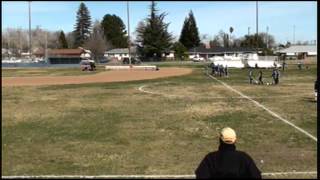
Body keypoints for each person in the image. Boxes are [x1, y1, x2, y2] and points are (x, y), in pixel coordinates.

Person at [195, 127, 262, 179]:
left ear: (220, 139)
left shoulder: (210, 158)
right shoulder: (244, 158)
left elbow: (201, 176)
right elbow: (256, 176)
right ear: (235, 140)